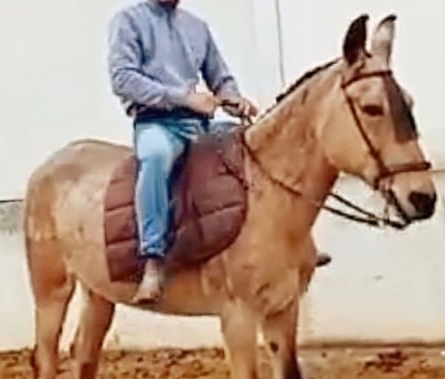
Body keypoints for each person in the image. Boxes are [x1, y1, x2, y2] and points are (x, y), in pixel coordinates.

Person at [107, 0, 330, 305]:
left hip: (199, 124)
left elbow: (219, 76)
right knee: (156, 159)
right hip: (156, 122)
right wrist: (184, 98)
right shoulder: (129, 21)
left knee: (252, 152)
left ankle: (294, 244)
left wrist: (233, 98)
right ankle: (153, 259)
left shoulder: (196, 27)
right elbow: (123, 79)